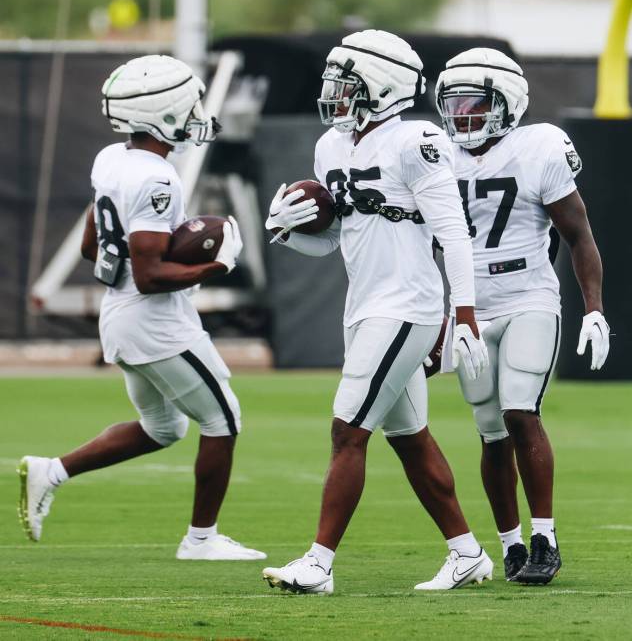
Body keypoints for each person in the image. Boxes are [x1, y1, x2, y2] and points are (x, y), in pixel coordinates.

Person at [261, 30, 492, 594]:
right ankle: (468, 554)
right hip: (364, 305)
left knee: (347, 430)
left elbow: (454, 236)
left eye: (347, 84)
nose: (335, 95)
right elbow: (335, 236)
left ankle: (318, 564)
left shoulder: (416, 139)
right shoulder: (331, 147)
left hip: (407, 307)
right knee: (409, 435)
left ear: (382, 84)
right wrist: (287, 231)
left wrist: (463, 315)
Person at [18, 54, 265, 562]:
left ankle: (53, 470)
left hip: (121, 315)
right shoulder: (157, 177)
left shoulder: (111, 158)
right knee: (224, 419)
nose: (196, 112)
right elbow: (152, 277)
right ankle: (201, 540)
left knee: (164, 428)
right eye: (188, 104)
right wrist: (215, 265)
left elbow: (93, 246)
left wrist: (147, 253)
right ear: (162, 113)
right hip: (157, 324)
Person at [435, 48, 610, 584]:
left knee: (519, 412)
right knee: (489, 432)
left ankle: (545, 537)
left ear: (507, 104)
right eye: (454, 102)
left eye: (474, 102)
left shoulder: (538, 148)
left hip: (529, 296)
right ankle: (510, 545)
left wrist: (595, 311)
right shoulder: (437, 154)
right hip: (469, 307)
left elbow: (577, 234)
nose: (461, 113)